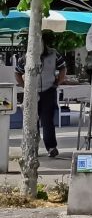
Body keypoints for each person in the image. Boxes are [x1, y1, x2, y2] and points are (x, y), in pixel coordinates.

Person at [14, 30, 66, 158]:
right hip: (32, 92)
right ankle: (32, 148)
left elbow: (63, 68)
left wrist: (57, 82)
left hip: (48, 91)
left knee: (47, 120)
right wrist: (24, 86)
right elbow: (17, 72)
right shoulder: (27, 56)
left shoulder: (54, 54)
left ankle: (51, 147)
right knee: (32, 121)